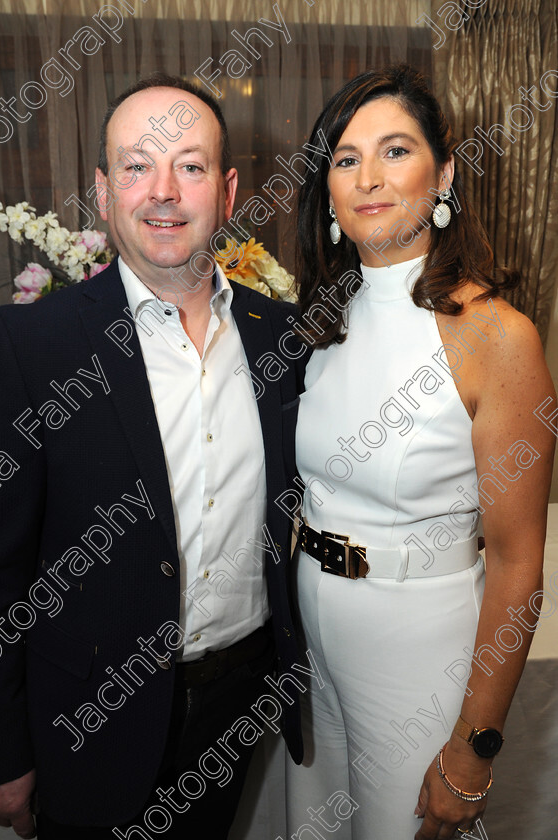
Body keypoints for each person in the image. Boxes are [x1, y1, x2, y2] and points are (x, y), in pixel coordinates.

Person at [0, 73, 306, 840]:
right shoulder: (33, 344)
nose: (162, 192)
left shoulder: (284, 337)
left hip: (237, 703)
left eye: (190, 167)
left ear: (228, 191)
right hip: (87, 721)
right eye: (137, 166)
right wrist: (6, 751)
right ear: (103, 193)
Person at [286, 64, 556, 840]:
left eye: (394, 151)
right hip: (312, 649)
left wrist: (474, 754)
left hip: (418, 656)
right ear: (327, 190)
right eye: (344, 158)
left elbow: (517, 567)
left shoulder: (495, 337)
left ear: (441, 173)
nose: (368, 177)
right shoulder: (320, 324)